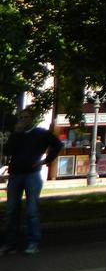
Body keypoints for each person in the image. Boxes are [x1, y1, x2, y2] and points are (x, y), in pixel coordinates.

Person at [2, 106, 63, 254]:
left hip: (32, 175)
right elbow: (7, 151)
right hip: (16, 174)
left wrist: (46, 161)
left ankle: (33, 242)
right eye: (21, 118)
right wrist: (16, 134)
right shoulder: (16, 134)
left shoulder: (40, 133)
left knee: (32, 210)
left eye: (26, 118)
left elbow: (57, 144)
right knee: (11, 210)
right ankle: (11, 244)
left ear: (31, 119)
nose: (23, 120)